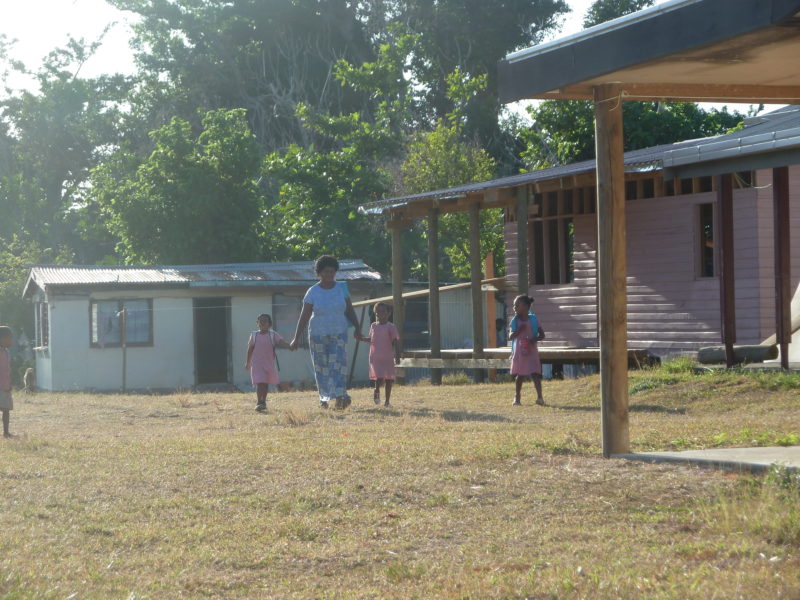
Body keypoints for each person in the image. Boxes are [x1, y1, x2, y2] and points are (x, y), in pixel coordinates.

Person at [290, 256, 363, 409]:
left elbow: (349, 309)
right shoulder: (313, 291)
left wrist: (358, 327)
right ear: (319, 273)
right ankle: (323, 399)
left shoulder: (341, 289)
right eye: (325, 272)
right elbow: (304, 315)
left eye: (332, 271)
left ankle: (340, 397)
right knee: (321, 367)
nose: (329, 275)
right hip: (318, 334)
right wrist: (296, 337)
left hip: (339, 332)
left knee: (338, 366)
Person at [245, 313, 293, 412]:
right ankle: (259, 402)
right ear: (257, 323)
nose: (262, 323)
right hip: (257, 363)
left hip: (268, 363)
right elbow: (250, 349)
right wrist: (248, 362)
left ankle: (263, 401)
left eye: (265, 321)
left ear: (269, 324)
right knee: (260, 382)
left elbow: (280, 342)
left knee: (265, 383)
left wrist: (289, 346)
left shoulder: (272, 334)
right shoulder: (254, 335)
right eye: (260, 321)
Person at [357, 302, 400, 407]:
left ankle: (387, 401)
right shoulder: (373, 326)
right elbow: (372, 339)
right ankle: (376, 392)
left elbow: (396, 341)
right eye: (378, 312)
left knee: (389, 380)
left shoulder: (391, 327)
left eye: (383, 312)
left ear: (388, 313)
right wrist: (362, 339)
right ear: (375, 313)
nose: (380, 314)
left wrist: (397, 355)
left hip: (388, 357)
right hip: (376, 357)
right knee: (378, 379)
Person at [508, 295, 546, 406]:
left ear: (525, 306)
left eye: (517, 305)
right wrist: (519, 330)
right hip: (520, 352)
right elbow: (511, 336)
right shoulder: (515, 321)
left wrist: (534, 339)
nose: (514, 307)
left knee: (535, 374)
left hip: (531, 351)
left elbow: (542, 335)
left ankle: (540, 397)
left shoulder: (533, 320)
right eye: (514, 305)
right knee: (520, 375)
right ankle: (517, 397)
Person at [0, 326, 14, 438]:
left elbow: (7, 369)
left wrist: (10, 382)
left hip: (5, 386)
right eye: (9, 338)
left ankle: (6, 432)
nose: (11, 341)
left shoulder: (6, 352)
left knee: (6, 409)